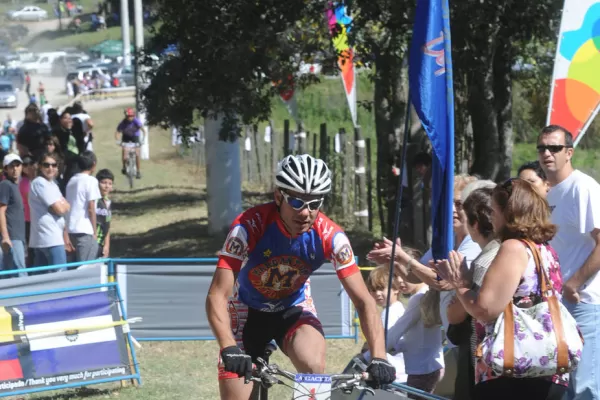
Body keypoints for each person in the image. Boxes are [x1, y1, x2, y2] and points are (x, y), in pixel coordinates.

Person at [207, 154, 396, 400]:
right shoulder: (248, 227)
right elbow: (216, 295)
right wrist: (228, 347)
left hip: (292, 306)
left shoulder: (331, 237)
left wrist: (379, 356)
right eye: (296, 202)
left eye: (314, 203)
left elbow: (364, 301)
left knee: (313, 366)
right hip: (246, 307)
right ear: (278, 197)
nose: (306, 212)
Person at [434, 178, 569, 399]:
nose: (492, 217)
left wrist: (460, 283)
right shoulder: (544, 249)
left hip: (511, 371)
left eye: (494, 210)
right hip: (548, 367)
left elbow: (484, 310)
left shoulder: (513, 248)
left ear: (508, 212)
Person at [537, 125, 600, 400]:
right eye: (542, 148)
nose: (547, 153)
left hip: (584, 303)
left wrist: (574, 283)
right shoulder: (549, 193)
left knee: (585, 388)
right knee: (562, 390)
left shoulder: (582, 187)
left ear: (569, 152)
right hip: (556, 306)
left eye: (555, 148)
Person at [363, 265, 408, 384]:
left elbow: (381, 343)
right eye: (373, 290)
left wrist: (363, 355)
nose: (377, 293)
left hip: (396, 371)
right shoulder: (393, 309)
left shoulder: (391, 313)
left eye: (381, 288)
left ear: (396, 289)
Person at [29, 152, 70, 271]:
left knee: (42, 280)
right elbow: (61, 208)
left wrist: (63, 206)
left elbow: (65, 206)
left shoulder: (53, 185)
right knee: (60, 278)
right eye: (46, 165)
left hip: (53, 236)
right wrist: (62, 206)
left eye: (53, 165)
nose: (50, 168)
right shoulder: (40, 183)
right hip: (49, 238)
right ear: (40, 166)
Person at [65, 151, 101, 262]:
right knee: (85, 267)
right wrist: (95, 231)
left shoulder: (71, 180)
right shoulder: (91, 181)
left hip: (71, 229)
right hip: (84, 230)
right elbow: (91, 207)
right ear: (94, 164)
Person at [0, 154, 27, 278]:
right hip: (12, 237)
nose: (15, 169)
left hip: (18, 237)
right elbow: (1, 210)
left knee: (11, 273)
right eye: (11, 166)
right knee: (20, 274)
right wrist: (6, 237)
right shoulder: (5, 185)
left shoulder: (14, 186)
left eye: (17, 165)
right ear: (5, 169)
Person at [115, 108, 146, 179]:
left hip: (135, 138)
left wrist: (143, 140)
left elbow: (143, 131)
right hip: (126, 138)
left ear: (134, 115)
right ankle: (124, 167)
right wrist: (118, 140)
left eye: (131, 116)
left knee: (137, 154)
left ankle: (138, 171)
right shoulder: (123, 123)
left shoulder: (136, 121)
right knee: (124, 154)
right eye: (128, 116)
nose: (130, 118)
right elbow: (117, 132)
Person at [95, 169, 113, 258]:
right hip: (93, 242)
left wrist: (107, 245)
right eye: (104, 182)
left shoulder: (108, 202)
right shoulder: (93, 200)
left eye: (110, 183)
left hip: (102, 243)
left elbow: (107, 225)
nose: (107, 186)